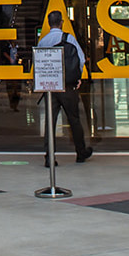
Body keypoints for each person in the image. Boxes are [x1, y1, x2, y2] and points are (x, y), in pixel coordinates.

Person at [37, 11, 93, 165]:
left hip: (50, 88)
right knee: (74, 119)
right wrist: (78, 77)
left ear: (49, 23)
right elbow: (81, 59)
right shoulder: (69, 38)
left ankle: (49, 157)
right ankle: (80, 152)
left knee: (50, 122)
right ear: (61, 22)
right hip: (67, 86)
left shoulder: (43, 41)